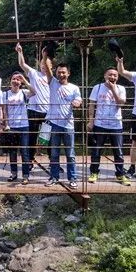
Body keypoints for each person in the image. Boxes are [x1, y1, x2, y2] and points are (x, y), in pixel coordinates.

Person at [41, 51, 83, 187]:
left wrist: (77, 103)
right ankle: (54, 177)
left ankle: (73, 179)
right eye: (59, 72)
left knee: (70, 154)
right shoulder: (52, 83)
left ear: (68, 73)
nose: (61, 74)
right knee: (54, 153)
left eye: (63, 72)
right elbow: (47, 69)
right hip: (54, 124)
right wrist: (45, 56)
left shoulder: (74, 88)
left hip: (68, 125)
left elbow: (78, 100)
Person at [87, 68, 130, 185]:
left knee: (118, 151)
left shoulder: (121, 88)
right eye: (110, 75)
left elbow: (121, 103)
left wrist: (113, 90)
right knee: (96, 150)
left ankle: (120, 174)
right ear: (105, 75)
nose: (112, 77)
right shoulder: (98, 87)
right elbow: (91, 104)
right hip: (100, 124)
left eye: (115, 75)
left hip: (116, 125)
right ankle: (94, 172)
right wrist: (91, 121)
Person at [16, 43, 50, 170]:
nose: (43, 66)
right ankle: (29, 160)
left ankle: (53, 161)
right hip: (33, 110)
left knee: (48, 138)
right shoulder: (34, 74)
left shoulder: (53, 78)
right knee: (32, 136)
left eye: (46, 64)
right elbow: (22, 64)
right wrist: (20, 51)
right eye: (42, 64)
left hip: (48, 111)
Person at [2, 72, 35, 184]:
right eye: (14, 79)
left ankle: (26, 175)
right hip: (11, 126)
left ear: (20, 82)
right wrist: (5, 124)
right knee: (12, 152)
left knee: (24, 151)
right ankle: (14, 173)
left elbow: (34, 92)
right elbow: (4, 110)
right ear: (10, 81)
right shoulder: (5, 94)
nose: (16, 81)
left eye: (18, 79)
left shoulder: (24, 93)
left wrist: (25, 81)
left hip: (24, 126)